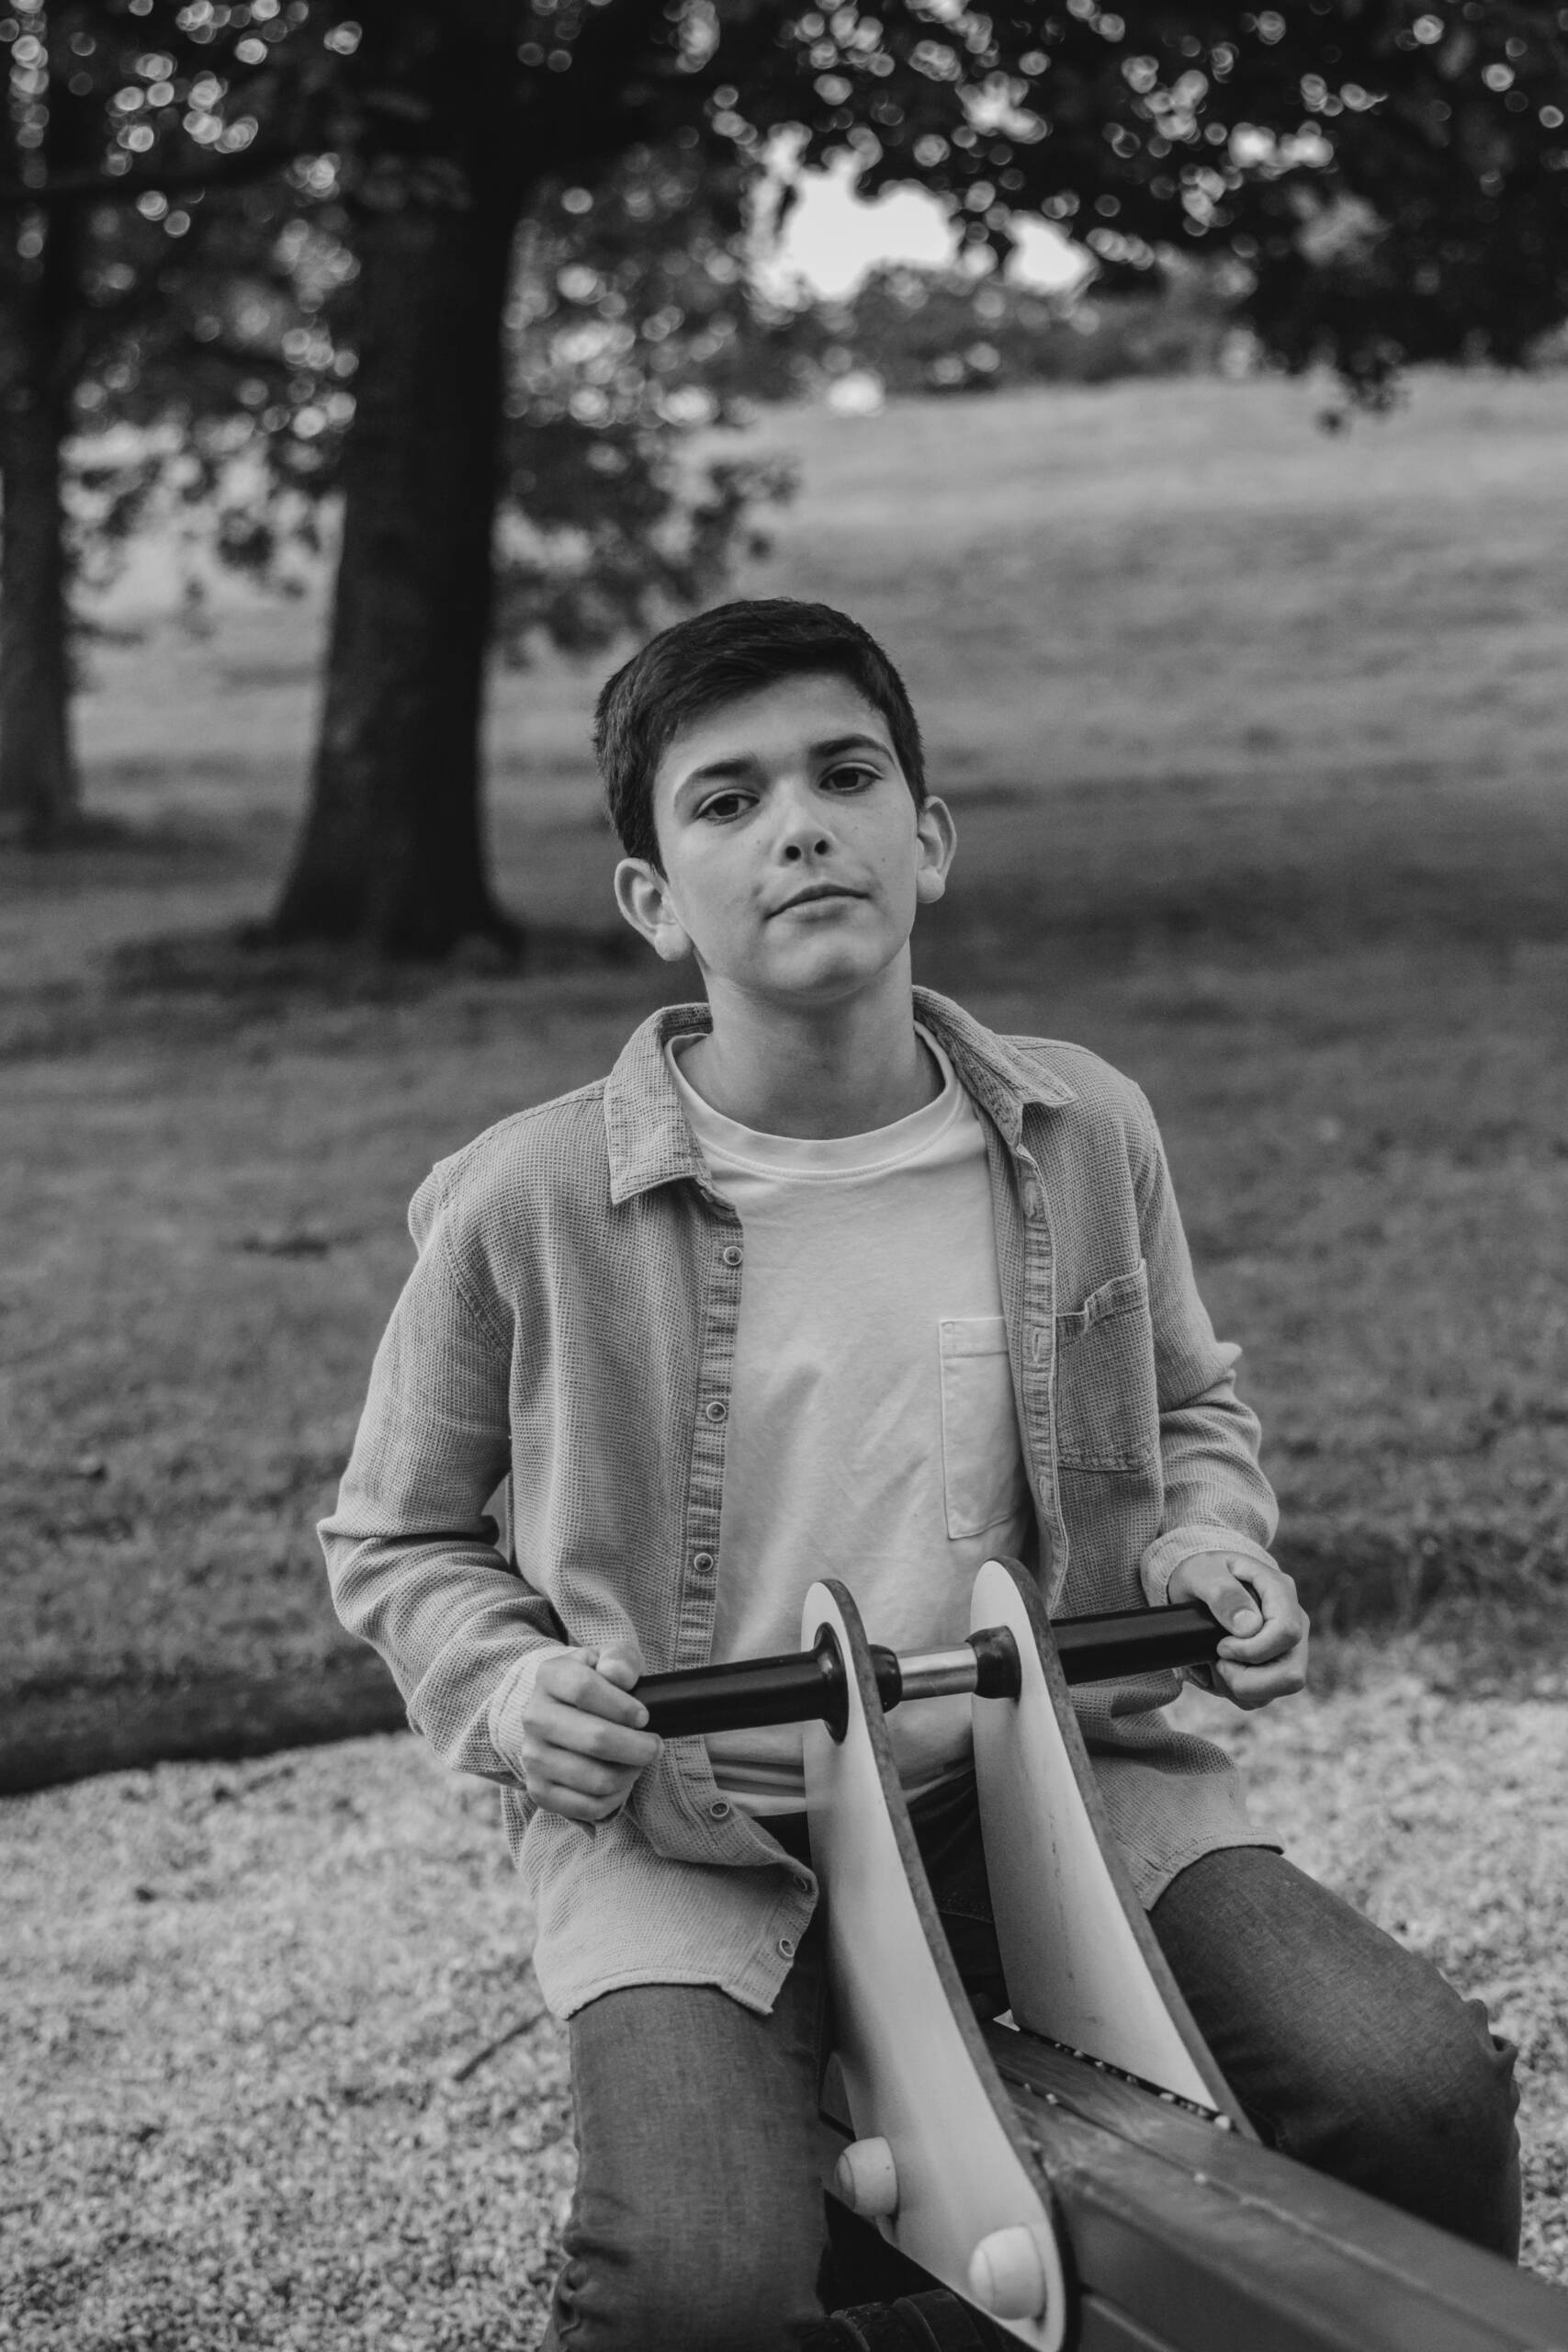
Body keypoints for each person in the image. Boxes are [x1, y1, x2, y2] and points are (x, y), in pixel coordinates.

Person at [321, 598, 1519, 2351]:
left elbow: (1194, 1412)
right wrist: (509, 1692)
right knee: (699, 2289)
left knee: (1416, 2091)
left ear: (928, 839)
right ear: (654, 900)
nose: (796, 823)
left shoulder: (1082, 1128)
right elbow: (399, 1531)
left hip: (1060, 1772)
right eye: (723, 803)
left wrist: (1209, 1549)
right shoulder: (531, 1202)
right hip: (707, 1830)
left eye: (846, 773)